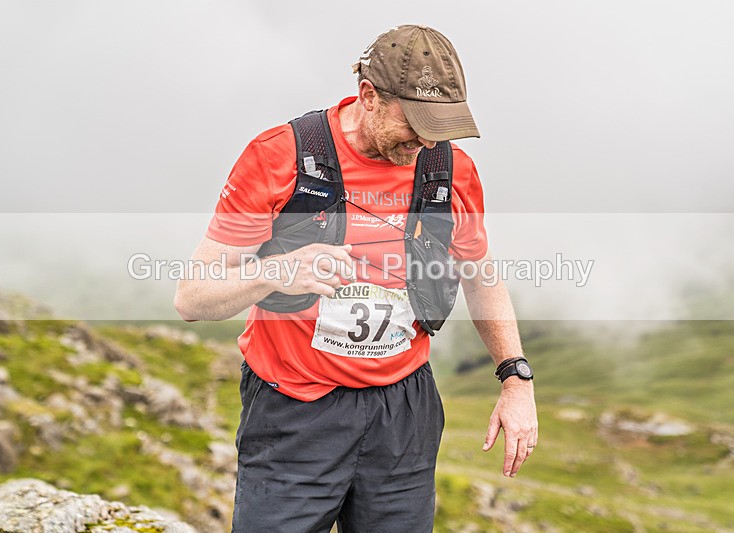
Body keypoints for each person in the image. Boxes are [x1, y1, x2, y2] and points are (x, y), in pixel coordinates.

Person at [175, 24, 538, 532]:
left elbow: (480, 276)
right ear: (368, 95)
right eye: (416, 122)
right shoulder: (277, 157)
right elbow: (193, 297)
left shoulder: (453, 171)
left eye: (441, 126)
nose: (428, 140)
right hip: (293, 408)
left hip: (403, 413)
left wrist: (515, 378)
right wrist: (276, 271)